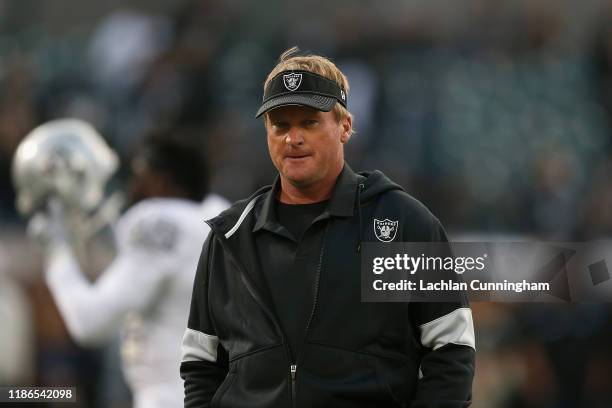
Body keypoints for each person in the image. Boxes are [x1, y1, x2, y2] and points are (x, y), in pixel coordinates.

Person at [180, 48, 475, 408]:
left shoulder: (401, 224)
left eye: (309, 122)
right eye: (281, 125)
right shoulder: (230, 237)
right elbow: (200, 363)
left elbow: (451, 350)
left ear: (345, 127)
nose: (293, 138)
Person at [14, 119, 229, 408]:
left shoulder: (161, 222)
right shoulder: (216, 214)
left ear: (162, 181)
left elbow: (89, 322)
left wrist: (57, 252)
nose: (132, 187)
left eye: (139, 175)